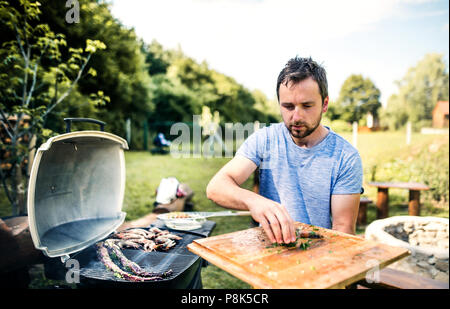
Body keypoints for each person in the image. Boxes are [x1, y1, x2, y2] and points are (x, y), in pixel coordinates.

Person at [206, 56, 363, 244]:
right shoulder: (265, 139)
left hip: (319, 254)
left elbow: (343, 230)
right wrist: (254, 201)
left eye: (307, 106)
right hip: (268, 253)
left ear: (325, 104)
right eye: (288, 106)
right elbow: (216, 187)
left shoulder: (345, 157)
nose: (296, 117)